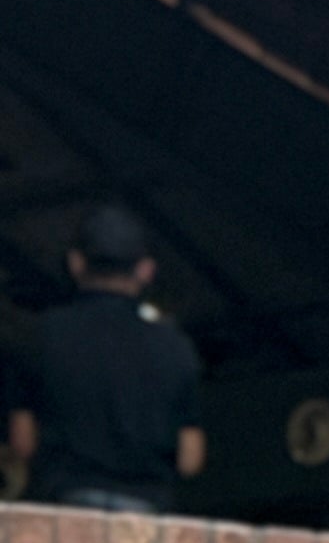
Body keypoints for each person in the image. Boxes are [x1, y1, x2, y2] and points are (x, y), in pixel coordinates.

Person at [7, 201, 207, 515]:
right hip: (146, 511)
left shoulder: (40, 336)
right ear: (145, 270)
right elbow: (190, 459)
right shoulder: (176, 348)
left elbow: (22, 442)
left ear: (76, 263)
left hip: (64, 507)